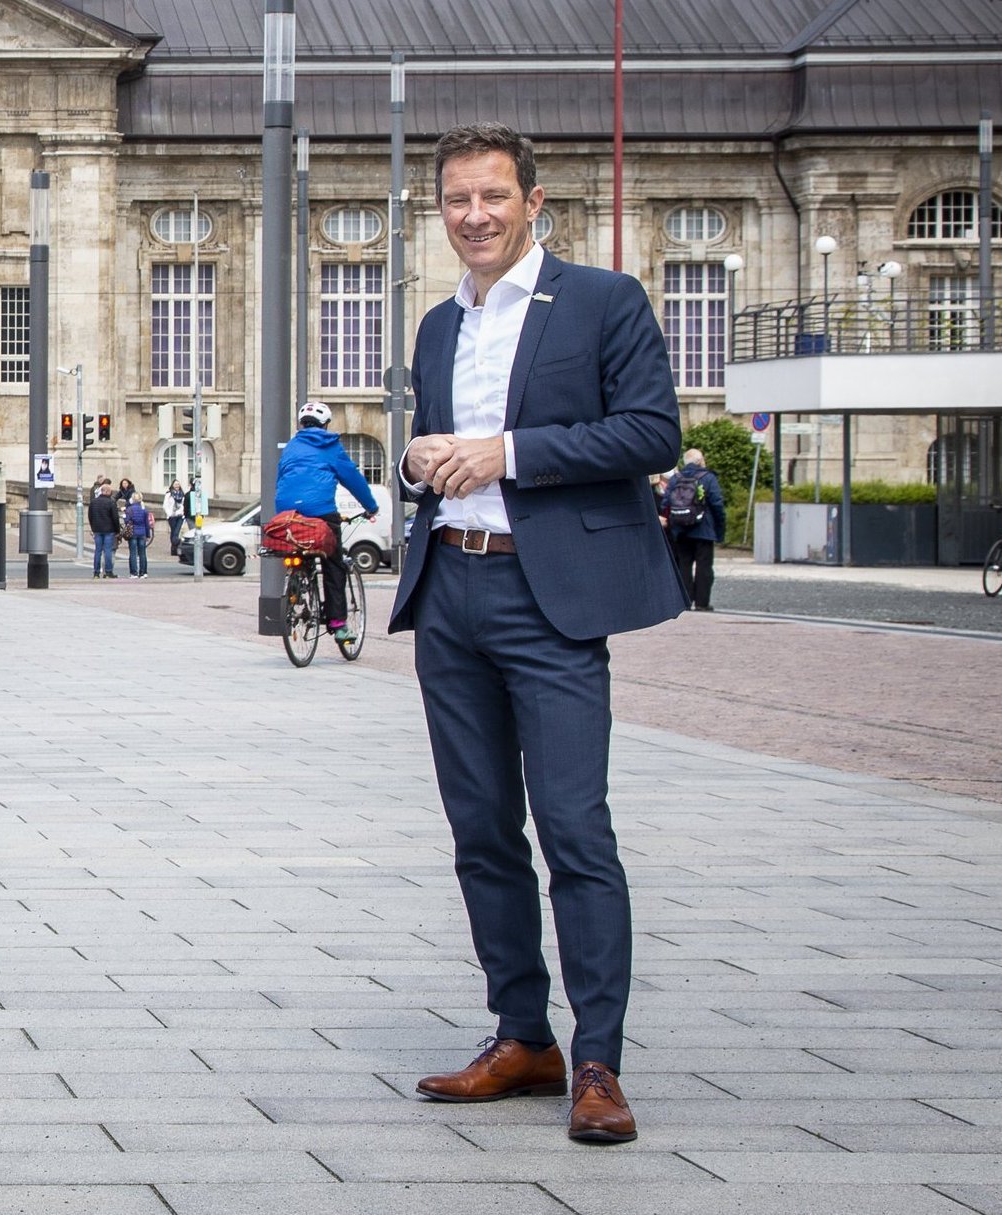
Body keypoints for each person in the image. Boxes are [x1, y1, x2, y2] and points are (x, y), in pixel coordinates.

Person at [387, 122, 684, 1145]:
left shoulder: (600, 301)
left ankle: (596, 1058)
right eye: (457, 200)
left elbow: (651, 431)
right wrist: (421, 462)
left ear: (532, 201)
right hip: (451, 595)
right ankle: (522, 1034)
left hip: (546, 598)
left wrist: (504, 453)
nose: (474, 216)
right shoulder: (437, 324)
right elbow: (438, 451)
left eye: (493, 198)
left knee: (573, 827)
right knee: (479, 831)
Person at [274, 401, 380, 640]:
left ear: (302, 424)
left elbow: (282, 480)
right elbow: (352, 478)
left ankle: (298, 587)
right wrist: (370, 507)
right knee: (334, 564)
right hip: (321, 511)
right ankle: (338, 622)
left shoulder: (291, 447)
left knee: (299, 550)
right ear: (326, 424)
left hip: (287, 512)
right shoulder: (330, 446)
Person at [663, 449, 727, 611]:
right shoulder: (708, 478)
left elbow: (665, 504)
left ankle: (685, 601)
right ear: (700, 461)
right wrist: (719, 530)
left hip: (681, 529)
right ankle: (702, 603)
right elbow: (717, 504)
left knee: (684, 565)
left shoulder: (676, 479)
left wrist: (672, 524)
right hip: (704, 529)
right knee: (704, 566)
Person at [86, 480, 120, 578]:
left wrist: (93, 527)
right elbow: (115, 518)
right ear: (108, 492)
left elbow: (90, 516)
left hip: (97, 529)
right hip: (109, 530)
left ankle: (96, 572)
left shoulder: (93, 502)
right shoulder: (111, 502)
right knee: (108, 551)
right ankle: (108, 572)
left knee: (98, 551)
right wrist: (117, 531)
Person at [123, 490, 154, 578]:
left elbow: (126, 521)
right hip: (142, 532)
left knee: (133, 553)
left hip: (133, 532)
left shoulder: (129, 509)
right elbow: (147, 524)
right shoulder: (144, 510)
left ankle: (134, 573)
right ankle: (143, 572)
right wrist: (148, 534)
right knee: (142, 553)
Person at [165, 480, 188, 554]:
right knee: (173, 531)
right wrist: (170, 513)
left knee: (176, 532)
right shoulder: (169, 494)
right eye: (175, 484)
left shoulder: (182, 494)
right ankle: (173, 548)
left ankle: (175, 546)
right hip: (171, 516)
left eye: (178, 484)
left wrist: (180, 512)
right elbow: (165, 505)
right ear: (172, 485)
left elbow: (183, 505)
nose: (177, 486)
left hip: (180, 516)